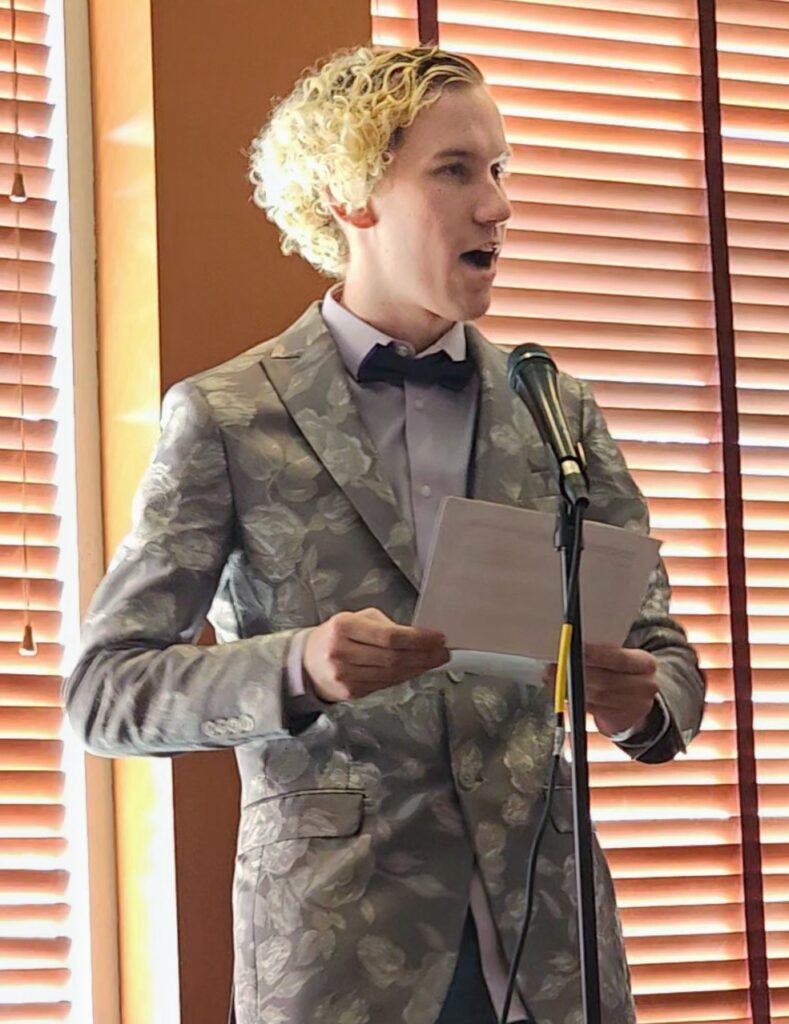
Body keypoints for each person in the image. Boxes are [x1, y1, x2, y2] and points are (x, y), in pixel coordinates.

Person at [64, 45, 705, 1024]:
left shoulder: (557, 408)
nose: (496, 204)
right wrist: (299, 668)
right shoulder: (227, 416)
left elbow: (667, 660)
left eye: (500, 169)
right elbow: (105, 693)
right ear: (348, 196)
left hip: (554, 953)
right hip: (338, 959)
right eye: (455, 170)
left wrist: (638, 699)